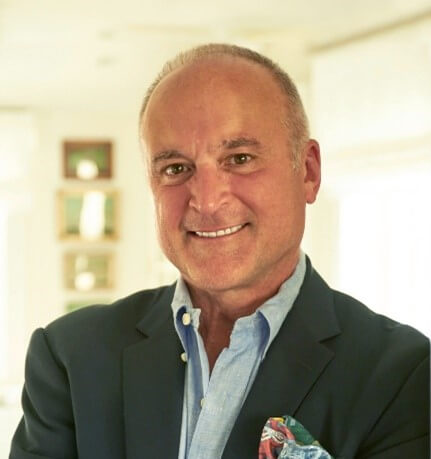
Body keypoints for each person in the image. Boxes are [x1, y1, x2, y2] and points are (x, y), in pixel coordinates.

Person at [10, 44, 429, 459]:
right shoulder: (70, 358)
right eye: (175, 168)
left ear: (308, 171)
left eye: (239, 158)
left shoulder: (401, 376)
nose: (207, 201)